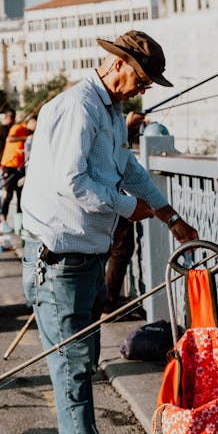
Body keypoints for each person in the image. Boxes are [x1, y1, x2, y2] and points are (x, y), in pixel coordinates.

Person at [21, 29, 198, 434]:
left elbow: (129, 169)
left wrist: (167, 214)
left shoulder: (111, 111)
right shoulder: (79, 107)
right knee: (73, 366)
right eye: (142, 78)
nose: (143, 89)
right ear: (117, 63)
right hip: (58, 262)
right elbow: (71, 181)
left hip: (83, 260)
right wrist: (127, 208)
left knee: (82, 360)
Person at [102, 110, 147, 319]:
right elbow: (108, 152)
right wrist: (127, 129)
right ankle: (107, 304)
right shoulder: (95, 113)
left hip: (106, 194)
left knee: (112, 248)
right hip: (107, 195)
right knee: (121, 247)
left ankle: (105, 302)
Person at [0, 117, 30, 232]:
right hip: (9, 165)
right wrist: (25, 138)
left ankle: (20, 224)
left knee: (20, 195)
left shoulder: (32, 132)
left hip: (21, 167)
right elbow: (9, 139)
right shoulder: (18, 127)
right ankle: (3, 221)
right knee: (8, 194)